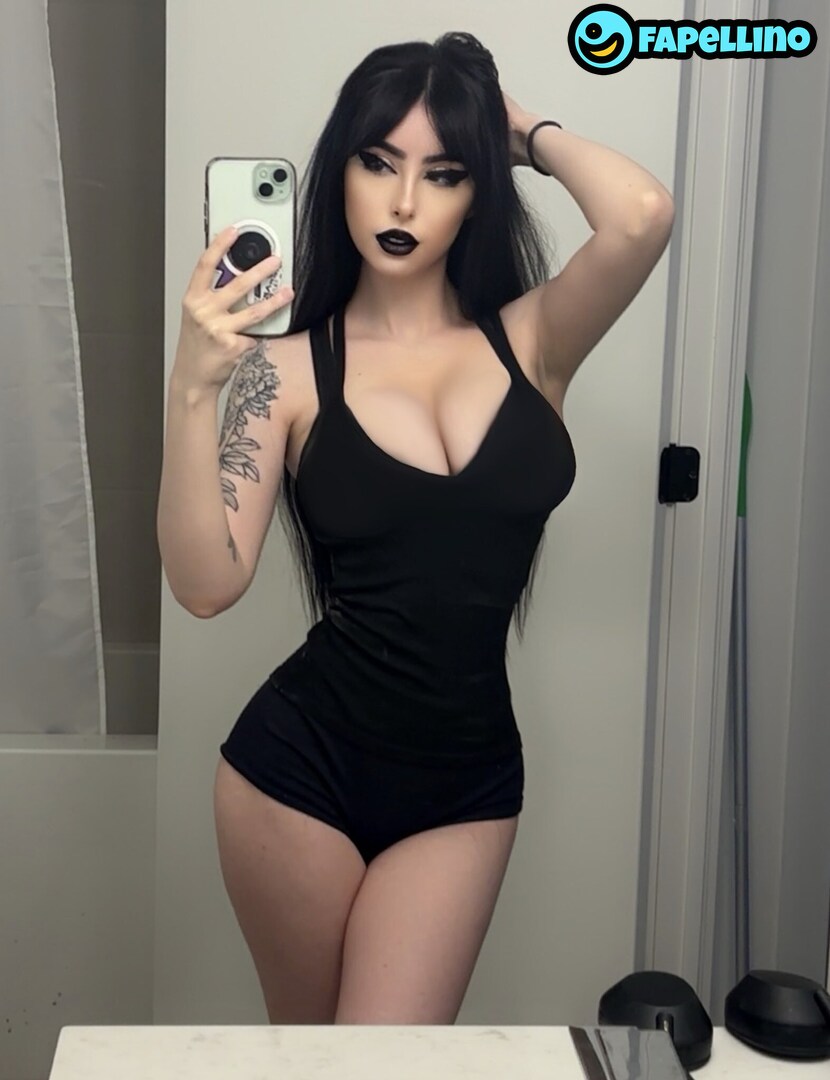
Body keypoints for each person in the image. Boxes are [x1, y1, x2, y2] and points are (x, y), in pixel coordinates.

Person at [157, 31, 673, 1027]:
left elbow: (641, 214)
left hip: (466, 781)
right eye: (377, 162)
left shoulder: (535, 340)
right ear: (338, 173)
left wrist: (515, 129)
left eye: (443, 174)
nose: (403, 203)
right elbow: (205, 585)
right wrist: (191, 388)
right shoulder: (282, 371)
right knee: (319, 1063)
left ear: (478, 192)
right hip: (298, 772)